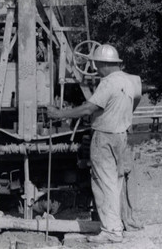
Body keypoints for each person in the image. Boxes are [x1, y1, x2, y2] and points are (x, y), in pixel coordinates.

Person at [47, 44, 142, 244]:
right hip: (121, 136)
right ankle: (117, 226)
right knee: (115, 183)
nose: (96, 68)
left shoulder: (107, 83)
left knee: (102, 183)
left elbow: (87, 109)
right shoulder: (130, 80)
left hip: (104, 137)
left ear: (103, 64)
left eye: (97, 64)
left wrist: (59, 114)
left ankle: (111, 231)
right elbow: (136, 99)